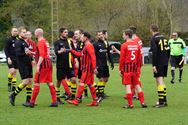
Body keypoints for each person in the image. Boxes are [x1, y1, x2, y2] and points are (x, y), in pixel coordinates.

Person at [67, 32, 98, 106]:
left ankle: (77, 100)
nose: (81, 38)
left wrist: (94, 68)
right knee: (90, 84)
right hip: (87, 68)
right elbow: (80, 54)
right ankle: (95, 101)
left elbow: (93, 57)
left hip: (88, 69)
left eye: (82, 36)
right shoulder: (86, 45)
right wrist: (71, 50)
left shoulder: (89, 46)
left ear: (86, 38)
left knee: (81, 83)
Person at [29, 28, 57, 107]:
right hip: (48, 64)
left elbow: (42, 54)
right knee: (49, 82)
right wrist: (32, 52)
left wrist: (38, 65)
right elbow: (43, 53)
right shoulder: (45, 41)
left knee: (36, 82)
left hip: (43, 65)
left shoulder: (40, 42)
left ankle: (32, 102)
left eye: (35, 33)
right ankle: (54, 101)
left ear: (37, 34)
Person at [119, 29, 147, 109]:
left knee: (128, 86)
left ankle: (130, 104)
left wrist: (120, 69)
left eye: (123, 34)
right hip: (134, 69)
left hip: (127, 69)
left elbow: (122, 59)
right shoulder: (137, 45)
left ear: (127, 35)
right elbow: (139, 58)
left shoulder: (124, 45)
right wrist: (138, 68)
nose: (122, 36)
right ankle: (142, 102)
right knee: (137, 85)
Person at [9, 27, 34, 106]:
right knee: (25, 82)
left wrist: (31, 56)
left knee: (30, 81)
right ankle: (13, 95)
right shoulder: (18, 42)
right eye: (23, 32)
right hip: (22, 65)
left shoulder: (25, 42)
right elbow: (18, 54)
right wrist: (26, 53)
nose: (25, 34)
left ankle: (28, 100)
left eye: (25, 32)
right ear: (19, 33)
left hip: (28, 64)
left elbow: (27, 52)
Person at [54, 28, 76, 103]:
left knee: (73, 79)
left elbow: (74, 51)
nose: (67, 33)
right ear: (61, 33)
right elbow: (56, 52)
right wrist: (61, 51)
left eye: (67, 32)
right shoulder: (57, 42)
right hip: (61, 65)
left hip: (69, 65)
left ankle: (72, 96)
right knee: (59, 82)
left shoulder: (69, 41)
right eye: (65, 32)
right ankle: (57, 98)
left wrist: (76, 59)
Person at [150, 24, 170, 108]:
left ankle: (161, 102)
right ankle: (164, 100)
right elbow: (169, 50)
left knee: (159, 80)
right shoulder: (165, 38)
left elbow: (154, 52)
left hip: (158, 62)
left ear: (151, 30)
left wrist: (154, 65)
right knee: (161, 80)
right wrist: (166, 59)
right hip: (165, 62)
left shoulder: (154, 39)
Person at [94, 30, 114, 102]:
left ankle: (99, 91)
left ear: (103, 35)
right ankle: (100, 94)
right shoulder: (95, 44)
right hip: (99, 64)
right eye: (98, 35)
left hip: (105, 64)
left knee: (106, 79)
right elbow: (93, 56)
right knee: (101, 79)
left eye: (101, 34)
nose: (100, 36)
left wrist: (111, 62)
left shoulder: (106, 43)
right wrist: (95, 66)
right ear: (97, 36)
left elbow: (108, 53)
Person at [4, 27, 18, 92]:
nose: (15, 32)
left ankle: (13, 87)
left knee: (15, 72)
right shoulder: (8, 40)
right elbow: (6, 49)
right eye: (14, 31)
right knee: (12, 71)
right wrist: (8, 58)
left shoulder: (17, 40)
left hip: (16, 59)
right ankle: (9, 84)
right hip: (10, 58)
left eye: (16, 31)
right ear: (11, 32)